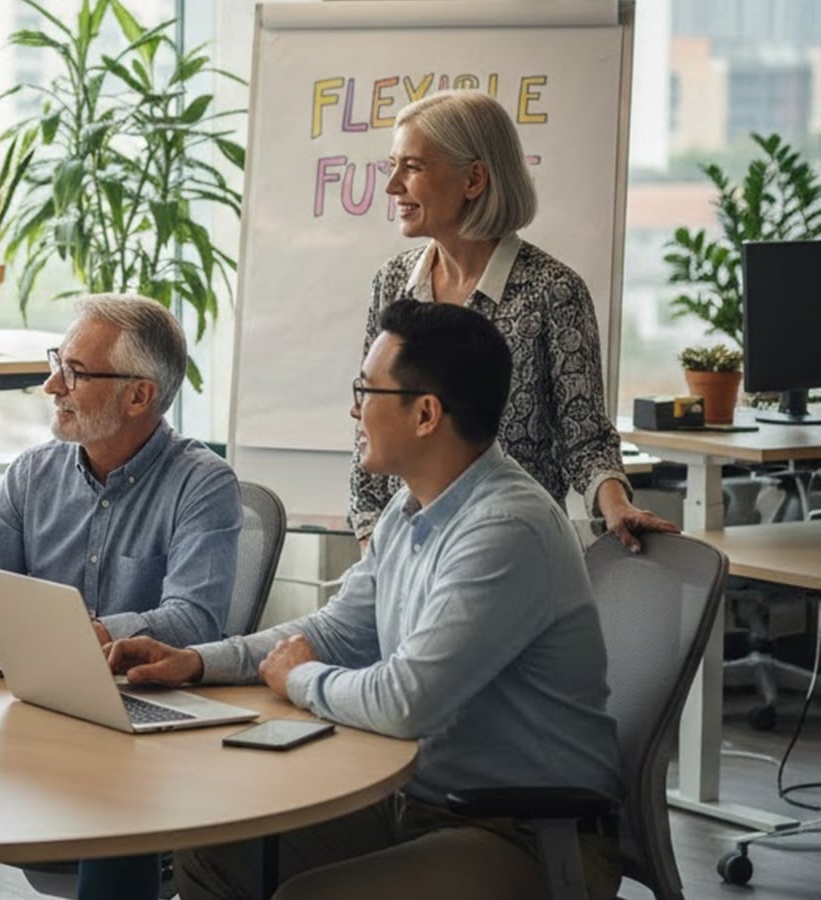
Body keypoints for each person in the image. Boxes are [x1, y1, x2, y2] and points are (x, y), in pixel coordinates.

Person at [111, 300, 624, 900]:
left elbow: (407, 701)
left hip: (523, 832)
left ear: (426, 414)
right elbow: (334, 632)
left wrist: (301, 679)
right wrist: (199, 661)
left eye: (367, 390)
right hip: (417, 804)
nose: (354, 409)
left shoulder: (506, 530)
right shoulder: (410, 511)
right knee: (214, 843)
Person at [0, 294, 242, 900]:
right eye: (59, 362)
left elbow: (195, 620)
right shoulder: (33, 473)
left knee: (115, 815)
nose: (52, 383)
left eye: (76, 372)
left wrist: (72, 632)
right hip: (30, 716)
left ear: (139, 396)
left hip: (137, 730)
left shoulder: (202, 483)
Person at [350, 89, 675, 553]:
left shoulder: (553, 291)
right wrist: (372, 549)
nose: (392, 186)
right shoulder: (393, 281)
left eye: (413, 167)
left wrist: (615, 504)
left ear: (474, 179)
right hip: (407, 550)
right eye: (393, 165)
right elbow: (369, 419)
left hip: (514, 548)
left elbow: (584, 437)